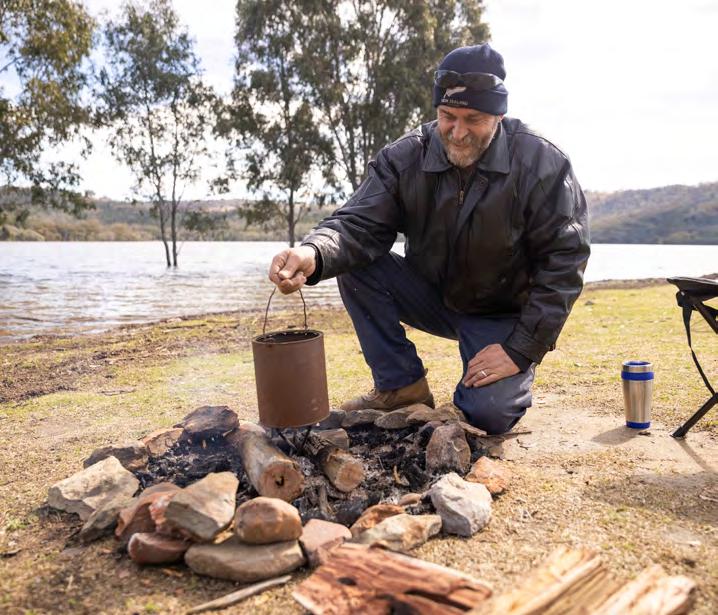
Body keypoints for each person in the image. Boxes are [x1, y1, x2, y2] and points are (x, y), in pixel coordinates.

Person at [268, 43, 590, 434]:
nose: (458, 132)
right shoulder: (405, 156)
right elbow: (357, 225)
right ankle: (401, 385)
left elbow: (565, 261)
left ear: (499, 115)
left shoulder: (542, 162)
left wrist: (519, 349)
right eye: (447, 116)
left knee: (489, 414)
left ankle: (483, 392)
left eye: (473, 119)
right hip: (431, 296)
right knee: (353, 262)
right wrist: (312, 252)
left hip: (501, 312)